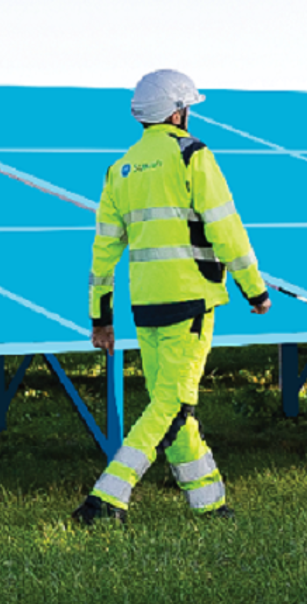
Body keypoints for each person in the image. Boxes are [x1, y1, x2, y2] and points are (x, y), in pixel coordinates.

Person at [70, 69, 270, 525]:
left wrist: (100, 316)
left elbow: (103, 251)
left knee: (171, 401)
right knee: (173, 402)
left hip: (146, 305)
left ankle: (210, 503)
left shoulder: (120, 167)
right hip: (190, 300)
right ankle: (107, 498)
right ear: (178, 112)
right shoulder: (191, 155)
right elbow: (226, 227)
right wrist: (253, 289)